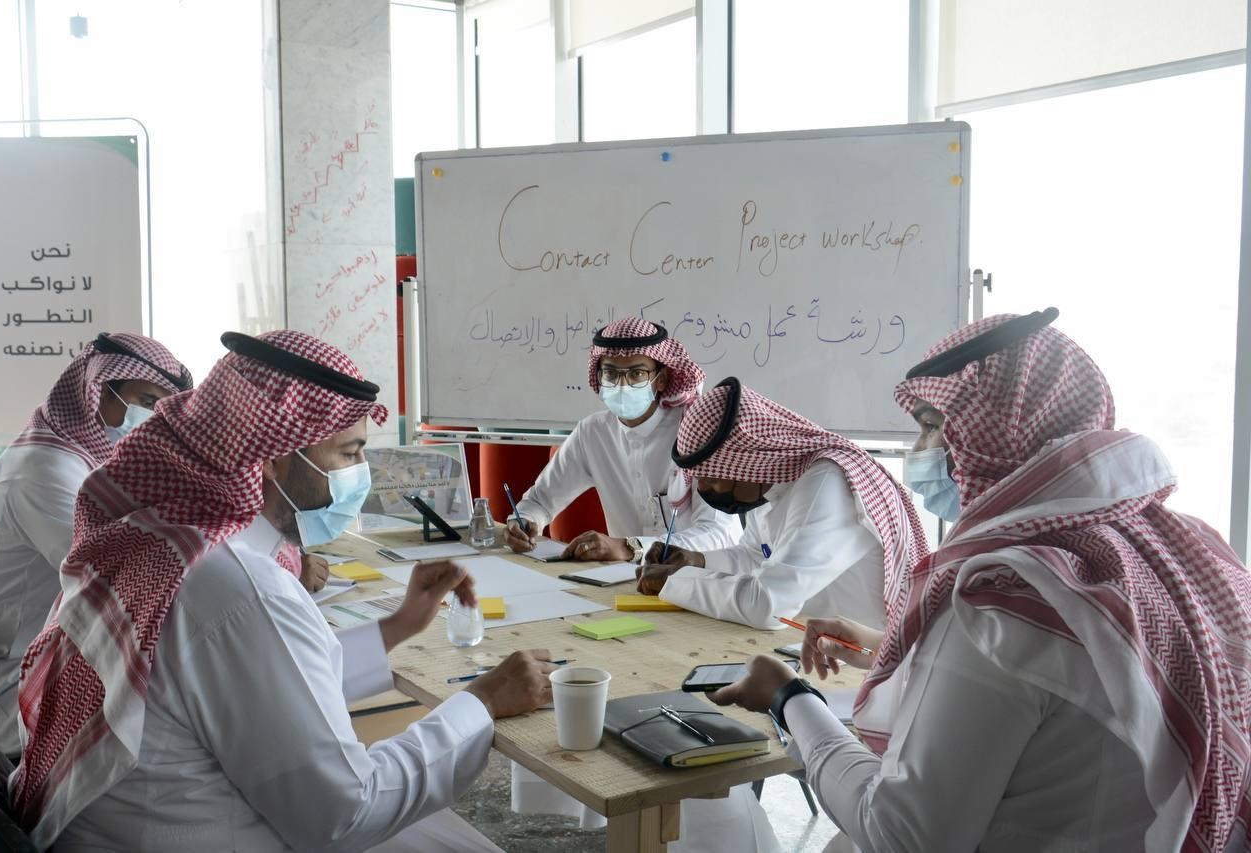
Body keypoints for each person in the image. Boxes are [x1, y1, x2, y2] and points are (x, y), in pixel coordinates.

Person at [712, 309, 1251, 852]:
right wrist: (884, 649)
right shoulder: (1180, 552)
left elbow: (898, 836)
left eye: (931, 426)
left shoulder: (999, 596)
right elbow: (1063, 688)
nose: (917, 451)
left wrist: (788, 696)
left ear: (994, 432)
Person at [9, 330, 553, 852]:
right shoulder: (238, 586)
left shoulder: (171, 537)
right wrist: (482, 703)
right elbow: (345, 813)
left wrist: (400, 624)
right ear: (272, 455)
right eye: (349, 454)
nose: (361, 475)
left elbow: (276, 687)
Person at [0, 332, 191, 757]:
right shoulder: (46, 469)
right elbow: (119, 581)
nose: (153, 417)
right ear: (100, 391)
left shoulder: (85, 460)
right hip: (17, 689)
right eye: (146, 400)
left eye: (163, 406)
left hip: (70, 664)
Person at [638, 377, 927, 631]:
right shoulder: (766, 481)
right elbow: (757, 557)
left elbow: (768, 606)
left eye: (711, 477)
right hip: (813, 641)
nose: (703, 489)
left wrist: (675, 581)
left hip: (865, 658)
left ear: (748, 459)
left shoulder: (828, 483)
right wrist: (696, 561)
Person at [506, 317, 740, 562]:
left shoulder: (697, 432)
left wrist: (631, 548)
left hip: (700, 576)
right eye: (611, 373)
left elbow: (719, 534)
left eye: (636, 373)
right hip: (626, 578)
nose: (622, 385)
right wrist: (524, 521)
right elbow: (540, 501)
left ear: (661, 379)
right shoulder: (592, 433)